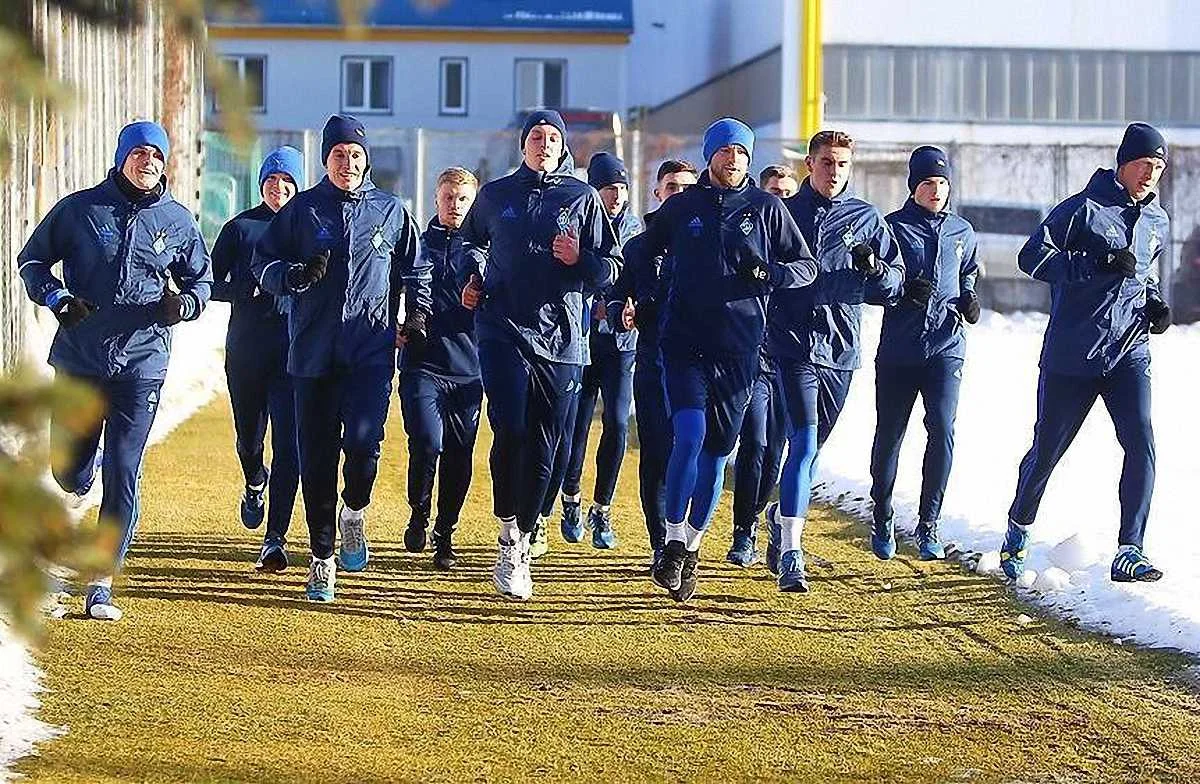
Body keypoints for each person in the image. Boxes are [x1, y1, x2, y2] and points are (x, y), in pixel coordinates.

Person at [17, 120, 212, 620]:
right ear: (122, 157)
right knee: (69, 471)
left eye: (156, 156)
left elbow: (202, 282)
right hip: (80, 358)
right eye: (139, 154)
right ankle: (80, 474)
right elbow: (32, 261)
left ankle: (101, 580)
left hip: (142, 364)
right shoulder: (82, 210)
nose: (148, 163)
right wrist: (58, 298)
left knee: (125, 468)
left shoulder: (177, 221)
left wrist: (184, 305)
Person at [628, 117, 817, 602]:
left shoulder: (767, 208)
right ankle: (670, 541)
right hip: (684, 342)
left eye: (743, 155)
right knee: (687, 436)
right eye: (726, 153)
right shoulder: (682, 207)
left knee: (717, 454)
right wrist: (633, 295)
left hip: (739, 349)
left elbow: (805, 267)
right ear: (711, 155)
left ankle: (691, 546)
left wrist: (771, 273)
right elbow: (639, 251)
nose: (734, 162)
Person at [254, 114, 429, 602]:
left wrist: (416, 314)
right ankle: (322, 557)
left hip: (370, 352)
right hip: (311, 354)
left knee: (363, 445)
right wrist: (292, 276)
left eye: (355, 155)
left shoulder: (392, 212)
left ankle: (355, 510)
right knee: (315, 457)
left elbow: (417, 270)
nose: (347, 162)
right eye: (337, 154)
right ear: (325, 158)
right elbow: (263, 263)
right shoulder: (303, 210)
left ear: (365, 159)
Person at [459, 109, 620, 600]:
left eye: (553, 137)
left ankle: (526, 535)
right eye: (536, 136)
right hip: (502, 327)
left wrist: (579, 260)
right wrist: (472, 274)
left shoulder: (583, 198)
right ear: (523, 144)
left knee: (546, 445)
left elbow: (609, 268)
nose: (544, 143)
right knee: (509, 429)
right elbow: (468, 242)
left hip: (563, 339)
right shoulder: (496, 195)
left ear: (562, 146)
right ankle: (508, 534)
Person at [1000, 122, 1171, 584]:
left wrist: (1153, 304)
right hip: (1073, 355)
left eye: (1158, 167)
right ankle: (1019, 525)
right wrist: (1089, 265)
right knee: (1048, 450)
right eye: (1143, 164)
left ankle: (1130, 549)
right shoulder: (1082, 209)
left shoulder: (1157, 219)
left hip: (1128, 351)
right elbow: (1030, 257)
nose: (1150, 174)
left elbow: (1143, 275)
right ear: (1123, 162)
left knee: (1141, 443)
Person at [766, 130, 903, 593]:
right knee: (802, 444)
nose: (834, 171)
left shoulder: (865, 218)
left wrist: (875, 270)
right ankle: (792, 554)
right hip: (792, 344)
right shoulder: (782, 213)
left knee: (812, 451)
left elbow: (893, 285)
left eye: (842, 164)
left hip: (841, 350)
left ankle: (779, 516)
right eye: (826, 162)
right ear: (809, 163)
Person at [869, 146, 979, 562]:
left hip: (946, 347)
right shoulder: (892, 228)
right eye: (928, 183)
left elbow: (968, 268)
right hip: (900, 350)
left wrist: (969, 298)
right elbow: (872, 285)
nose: (936, 190)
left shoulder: (961, 231)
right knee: (891, 434)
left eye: (942, 184)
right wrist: (900, 291)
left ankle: (929, 521)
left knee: (943, 429)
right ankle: (881, 512)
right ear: (914, 186)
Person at [210, 146, 304, 573]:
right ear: (261, 183)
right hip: (246, 350)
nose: (279, 189)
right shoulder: (240, 228)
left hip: (294, 354)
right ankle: (254, 480)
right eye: (271, 181)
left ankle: (275, 537)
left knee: (290, 444)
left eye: (287, 182)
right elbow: (207, 282)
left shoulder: (310, 227)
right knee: (251, 439)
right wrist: (239, 290)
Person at [552, 151, 643, 550]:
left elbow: (643, 276)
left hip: (622, 346)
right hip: (583, 340)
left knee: (619, 423)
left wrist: (634, 306)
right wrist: (595, 306)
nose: (616, 197)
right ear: (594, 189)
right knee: (577, 423)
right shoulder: (579, 219)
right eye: (609, 188)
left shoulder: (636, 230)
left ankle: (602, 505)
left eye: (622, 189)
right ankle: (570, 498)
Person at [612, 159, 698, 569]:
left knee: (696, 451)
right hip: (653, 363)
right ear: (657, 193)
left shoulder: (710, 240)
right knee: (657, 454)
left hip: (702, 365)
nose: (679, 194)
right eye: (672, 187)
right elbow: (617, 295)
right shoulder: (640, 248)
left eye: (687, 187)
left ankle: (688, 539)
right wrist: (621, 313)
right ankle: (662, 544)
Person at [399, 167, 483, 572]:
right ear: (436, 199)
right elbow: (386, 286)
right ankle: (418, 511)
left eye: (463, 199)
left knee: (459, 454)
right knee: (427, 443)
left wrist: (484, 295)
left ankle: (445, 533)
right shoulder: (416, 243)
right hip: (422, 364)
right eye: (448, 197)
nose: (455, 205)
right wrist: (394, 327)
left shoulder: (483, 248)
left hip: (469, 369)